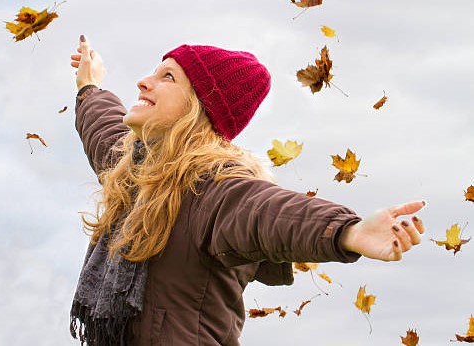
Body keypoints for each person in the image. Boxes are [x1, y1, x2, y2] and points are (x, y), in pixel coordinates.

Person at [68, 35, 425, 346]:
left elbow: (267, 214)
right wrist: (89, 85)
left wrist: (347, 231)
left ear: (199, 109)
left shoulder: (212, 190)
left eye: (168, 77)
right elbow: (104, 129)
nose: (144, 82)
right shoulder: (135, 175)